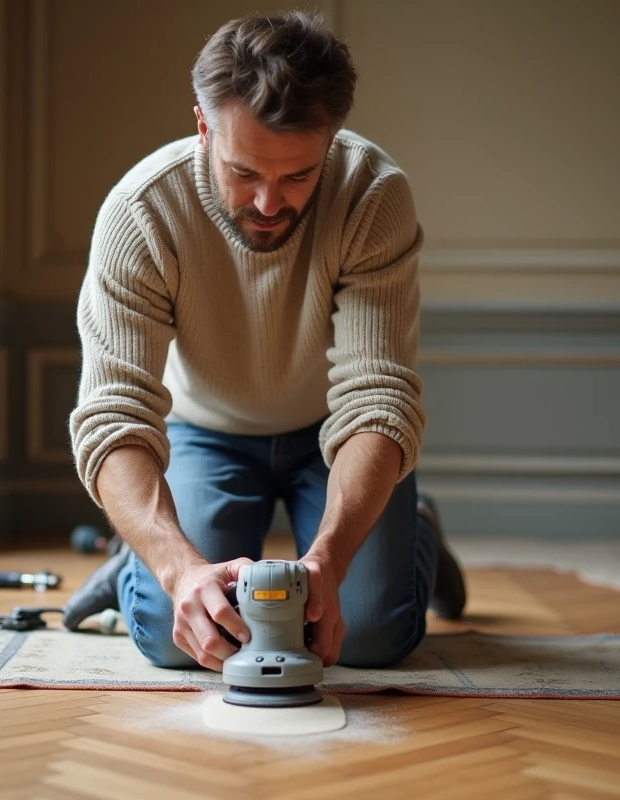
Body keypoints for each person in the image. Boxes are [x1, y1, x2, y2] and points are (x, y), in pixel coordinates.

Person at [63, 10, 466, 672]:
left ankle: (414, 526)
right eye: (244, 172)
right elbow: (113, 416)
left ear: (331, 143)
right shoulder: (140, 212)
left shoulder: (371, 194)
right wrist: (177, 566)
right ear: (202, 126)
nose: (270, 204)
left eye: (298, 177)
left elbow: (377, 397)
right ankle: (144, 558)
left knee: (365, 635)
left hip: (332, 436)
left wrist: (332, 561)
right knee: (174, 633)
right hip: (206, 434)